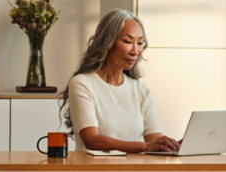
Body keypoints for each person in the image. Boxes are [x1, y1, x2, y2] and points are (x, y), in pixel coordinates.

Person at [59, 9, 180, 153]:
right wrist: (144, 147)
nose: (135, 51)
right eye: (128, 41)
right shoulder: (82, 83)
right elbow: (92, 141)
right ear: (107, 43)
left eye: (140, 43)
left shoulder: (140, 89)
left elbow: (154, 140)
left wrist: (174, 145)